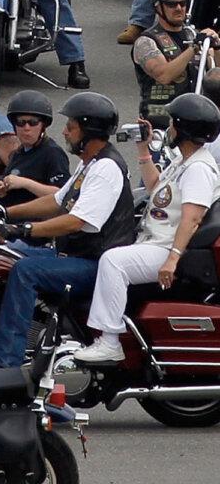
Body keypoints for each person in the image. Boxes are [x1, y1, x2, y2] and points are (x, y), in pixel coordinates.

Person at [0, 92, 136, 367]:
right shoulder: (89, 163)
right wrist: (4, 213)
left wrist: (25, 231)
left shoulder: (106, 168)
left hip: (94, 263)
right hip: (77, 256)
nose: (65, 131)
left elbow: (76, 220)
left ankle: (6, 364)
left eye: (71, 126)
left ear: (88, 129)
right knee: (8, 260)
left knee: (25, 272)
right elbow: (56, 202)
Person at [75, 94, 220, 363]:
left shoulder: (198, 168)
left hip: (165, 247)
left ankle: (109, 341)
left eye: (173, 123)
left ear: (184, 129)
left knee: (113, 262)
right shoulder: (184, 161)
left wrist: (173, 259)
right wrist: (143, 150)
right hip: (156, 241)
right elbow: (157, 191)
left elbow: (192, 218)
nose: (169, 129)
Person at [133, 0, 218, 129]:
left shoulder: (192, 34)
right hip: (160, 123)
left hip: (196, 120)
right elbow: (163, 75)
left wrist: (217, 47)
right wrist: (194, 48)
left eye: (182, 3)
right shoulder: (146, 41)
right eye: (171, 4)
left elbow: (216, 72)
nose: (178, 8)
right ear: (158, 7)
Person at [0, 89, 71, 208]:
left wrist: (26, 183)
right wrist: (0, 186)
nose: (26, 128)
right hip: (6, 216)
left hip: (32, 222)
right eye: (20, 122)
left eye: (33, 122)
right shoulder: (18, 153)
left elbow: (63, 195)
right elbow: (6, 181)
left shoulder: (53, 153)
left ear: (43, 126)